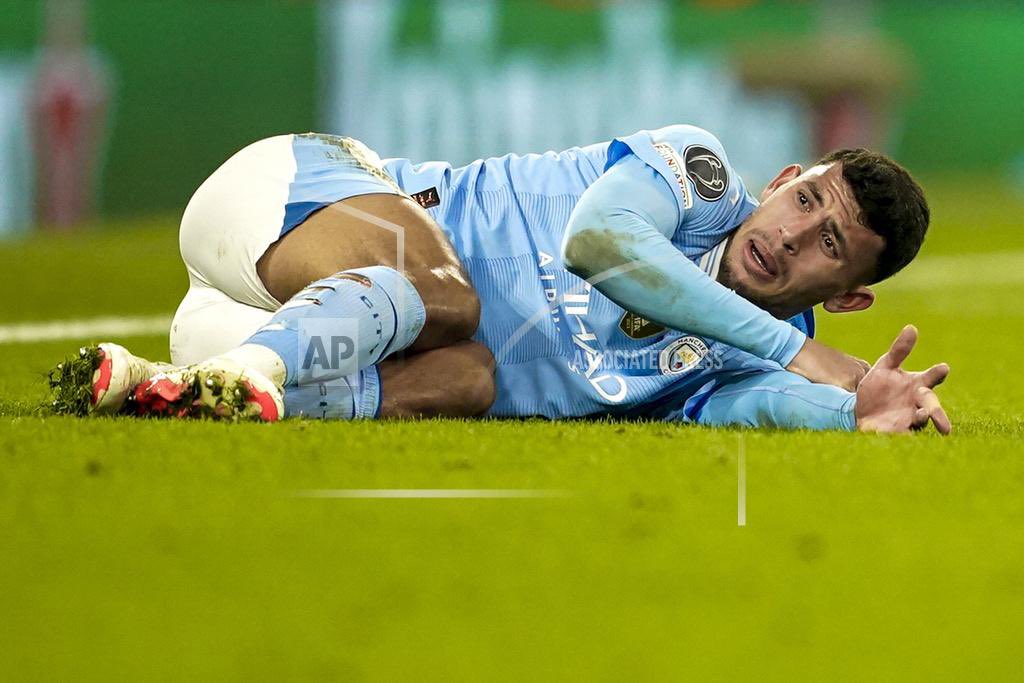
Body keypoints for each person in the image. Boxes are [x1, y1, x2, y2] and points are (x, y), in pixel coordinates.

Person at [49, 126, 949, 434]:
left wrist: (853, 408)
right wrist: (795, 347)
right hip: (288, 200)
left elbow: (771, 404)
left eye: (831, 246)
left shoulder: (717, 371)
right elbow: (600, 242)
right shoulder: (699, 175)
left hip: (261, 324)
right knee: (451, 300)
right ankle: (252, 376)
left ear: (848, 296)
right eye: (808, 203)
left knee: (468, 376)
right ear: (786, 177)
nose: (795, 238)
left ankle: (173, 383)